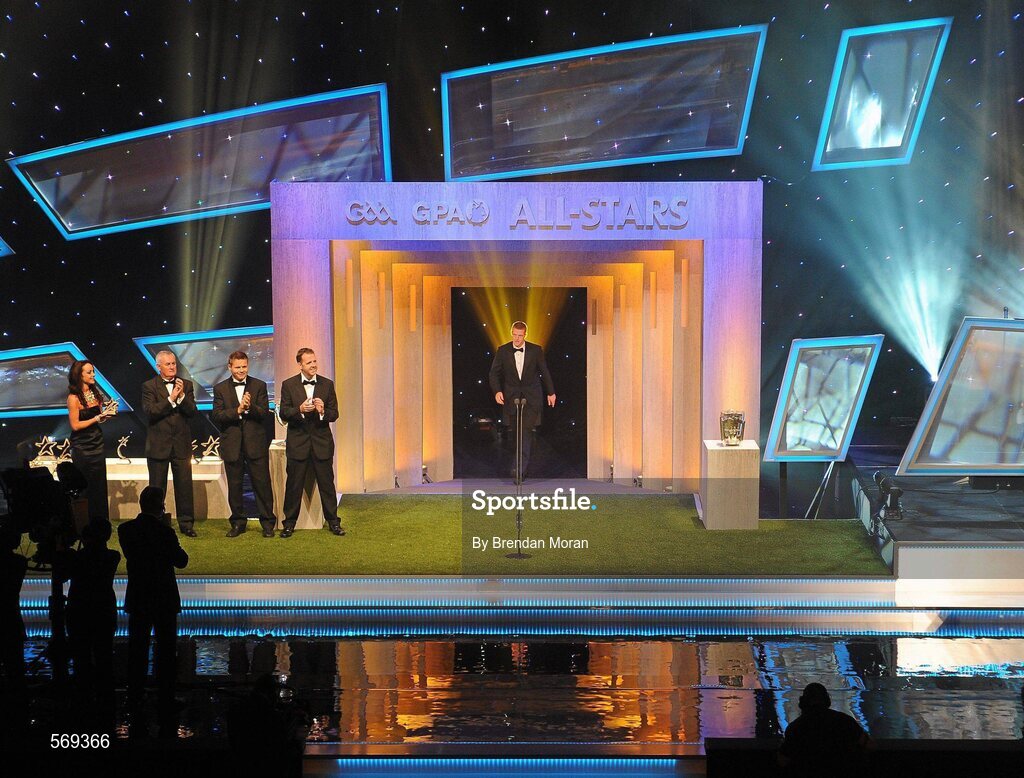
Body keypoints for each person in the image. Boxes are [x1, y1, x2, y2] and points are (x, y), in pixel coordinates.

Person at [118, 486, 188, 717]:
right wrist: (166, 532)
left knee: (137, 648)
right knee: (166, 650)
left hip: (139, 596)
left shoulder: (125, 529)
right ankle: (165, 695)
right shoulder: (164, 532)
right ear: (161, 506)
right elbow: (181, 561)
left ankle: (135, 694)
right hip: (163, 598)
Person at [278, 348, 344, 538]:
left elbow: (335, 414)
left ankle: (333, 522)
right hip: (298, 445)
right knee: (293, 486)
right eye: (309, 362)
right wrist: (299, 409)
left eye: (315, 361)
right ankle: (289, 524)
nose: (313, 365)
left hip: (321, 444)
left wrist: (323, 411)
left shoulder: (327, 384)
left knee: (327, 486)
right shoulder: (288, 385)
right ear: (300, 365)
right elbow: (284, 413)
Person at [211, 351, 277, 538]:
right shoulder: (220, 388)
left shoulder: (259, 385)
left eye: (244, 366)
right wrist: (238, 410)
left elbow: (264, 413)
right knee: (235, 485)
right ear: (229, 367)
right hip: (232, 445)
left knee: (262, 484)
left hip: (255, 443)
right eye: (238, 367)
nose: (241, 370)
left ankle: (267, 523)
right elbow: (217, 416)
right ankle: (238, 523)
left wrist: (250, 408)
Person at [65, 519, 120, 723]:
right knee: (104, 657)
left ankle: (83, 701)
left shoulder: (77, 558)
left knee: (81, 659)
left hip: (79, 611)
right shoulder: (112, 556)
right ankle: (106, 702)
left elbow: (65, 573)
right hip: (103, 611)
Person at [488, 321, 556, 482]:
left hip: (531, 398)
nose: (517, 339)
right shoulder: (503, 351)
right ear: (511, 333)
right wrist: (497, 391)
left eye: (520, 336)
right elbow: (493, 373)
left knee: (524, 433)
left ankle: (518, 470)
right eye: (515, 335)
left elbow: (544, 372)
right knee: (515, 435)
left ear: (525, 334)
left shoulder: (535, 350)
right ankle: (519, 467)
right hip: (511, 398)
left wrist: (551, 392)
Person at [142, 349, 197, 536]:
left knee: (184, 485)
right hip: (159, 445)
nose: (172, 367)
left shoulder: (186, 385)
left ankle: (186, 523)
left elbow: (192, 412)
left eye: (174, 363)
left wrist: (181, 397)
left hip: (181, 444)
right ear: (159, 367)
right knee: (157, 487)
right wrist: (171, 399)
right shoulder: (149, 386)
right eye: (168, 364)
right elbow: (151, 412)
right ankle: (155, 522)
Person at [778, 682, 872, 777]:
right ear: (827, 700)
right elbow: (869, 745)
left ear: (802, 703)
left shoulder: (795, 727)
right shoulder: (846, 721)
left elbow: (783, 760)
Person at [67, 360, 117, 520]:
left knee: (99, 485)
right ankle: (83, 521)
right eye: (89, 372)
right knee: (85, 485)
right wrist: (97, 418)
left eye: (93, 371)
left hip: (98, 443)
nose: (93, 375)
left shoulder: (96, 394)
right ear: (79, 375)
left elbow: (99, 418)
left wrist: (107, 414)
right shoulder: (73, 398)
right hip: (82, 447)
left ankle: (100, 520)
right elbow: (75, 425)